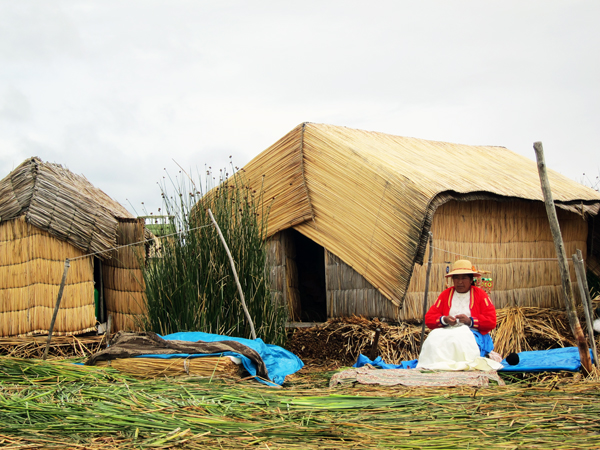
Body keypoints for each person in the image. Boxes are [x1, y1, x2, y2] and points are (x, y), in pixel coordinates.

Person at [417, 259, 501, 371]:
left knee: (458, 339)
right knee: (433, 337)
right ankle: (433, 366)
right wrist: (444, 320)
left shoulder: (481, 295)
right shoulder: (445, 295)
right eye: (456, 278)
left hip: (472, 333)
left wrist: (469, 321)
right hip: (447, 331)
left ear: (471, 279)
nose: (460, 282)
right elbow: (429, 318)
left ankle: (459, 367)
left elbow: (491, 321)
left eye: (464, 278)